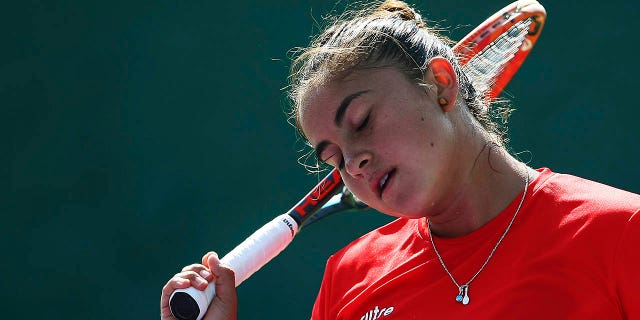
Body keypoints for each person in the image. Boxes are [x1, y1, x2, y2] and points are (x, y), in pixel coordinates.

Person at [161, 0, 640, 319]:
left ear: (441, 84)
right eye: (334, 157)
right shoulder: (347, 279)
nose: (355, 163)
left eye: (363, 121)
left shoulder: (623, 232)